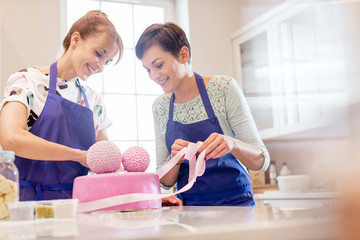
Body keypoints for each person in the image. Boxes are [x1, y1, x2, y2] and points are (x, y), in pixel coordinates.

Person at [135, 22, 270, 206]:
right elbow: (165, 181)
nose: (154, 76)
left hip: (237, 205)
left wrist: (233, 144)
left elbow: (261, 161)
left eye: (159, 65)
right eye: (148, 70)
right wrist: (174, 159)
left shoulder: (223, 88)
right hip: (189, 209)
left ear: (183, 55)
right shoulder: (160, 106)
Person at [0, 10, 123, 201]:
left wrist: (145, 190)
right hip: (26, 204)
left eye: (107, 62)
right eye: (98, 54)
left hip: (77, 207)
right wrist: (79, 156)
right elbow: (11, 138)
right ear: (76, 39)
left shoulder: (94, 101)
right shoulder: (27, 81)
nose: (100, 67)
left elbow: (105, 162)